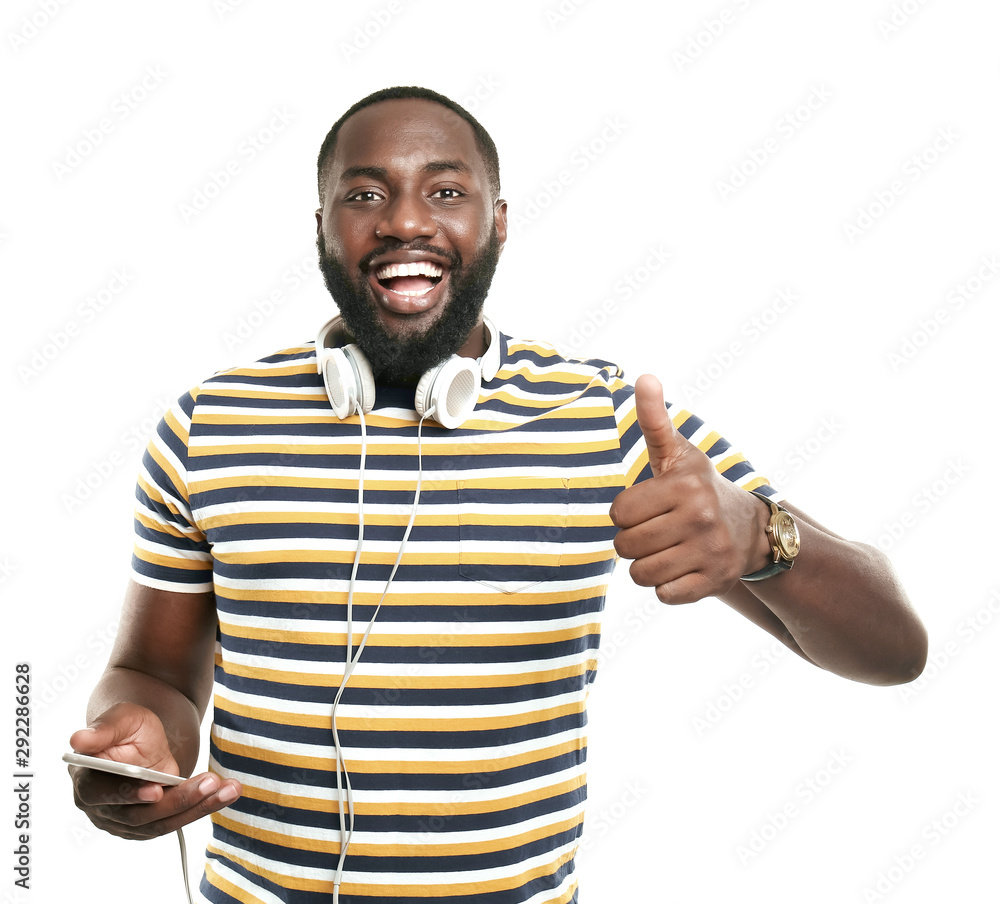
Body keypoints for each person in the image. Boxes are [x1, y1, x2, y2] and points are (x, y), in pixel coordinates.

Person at [69, 86, 927, 904]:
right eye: (365, 194)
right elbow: (149, 674)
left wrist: (759, 539)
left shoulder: (604, 418)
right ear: (321, 228)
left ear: (499, 222)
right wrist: (135, 752)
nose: (405, 220)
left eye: (446, 190)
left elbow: (896, 651)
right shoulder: (209, 425)